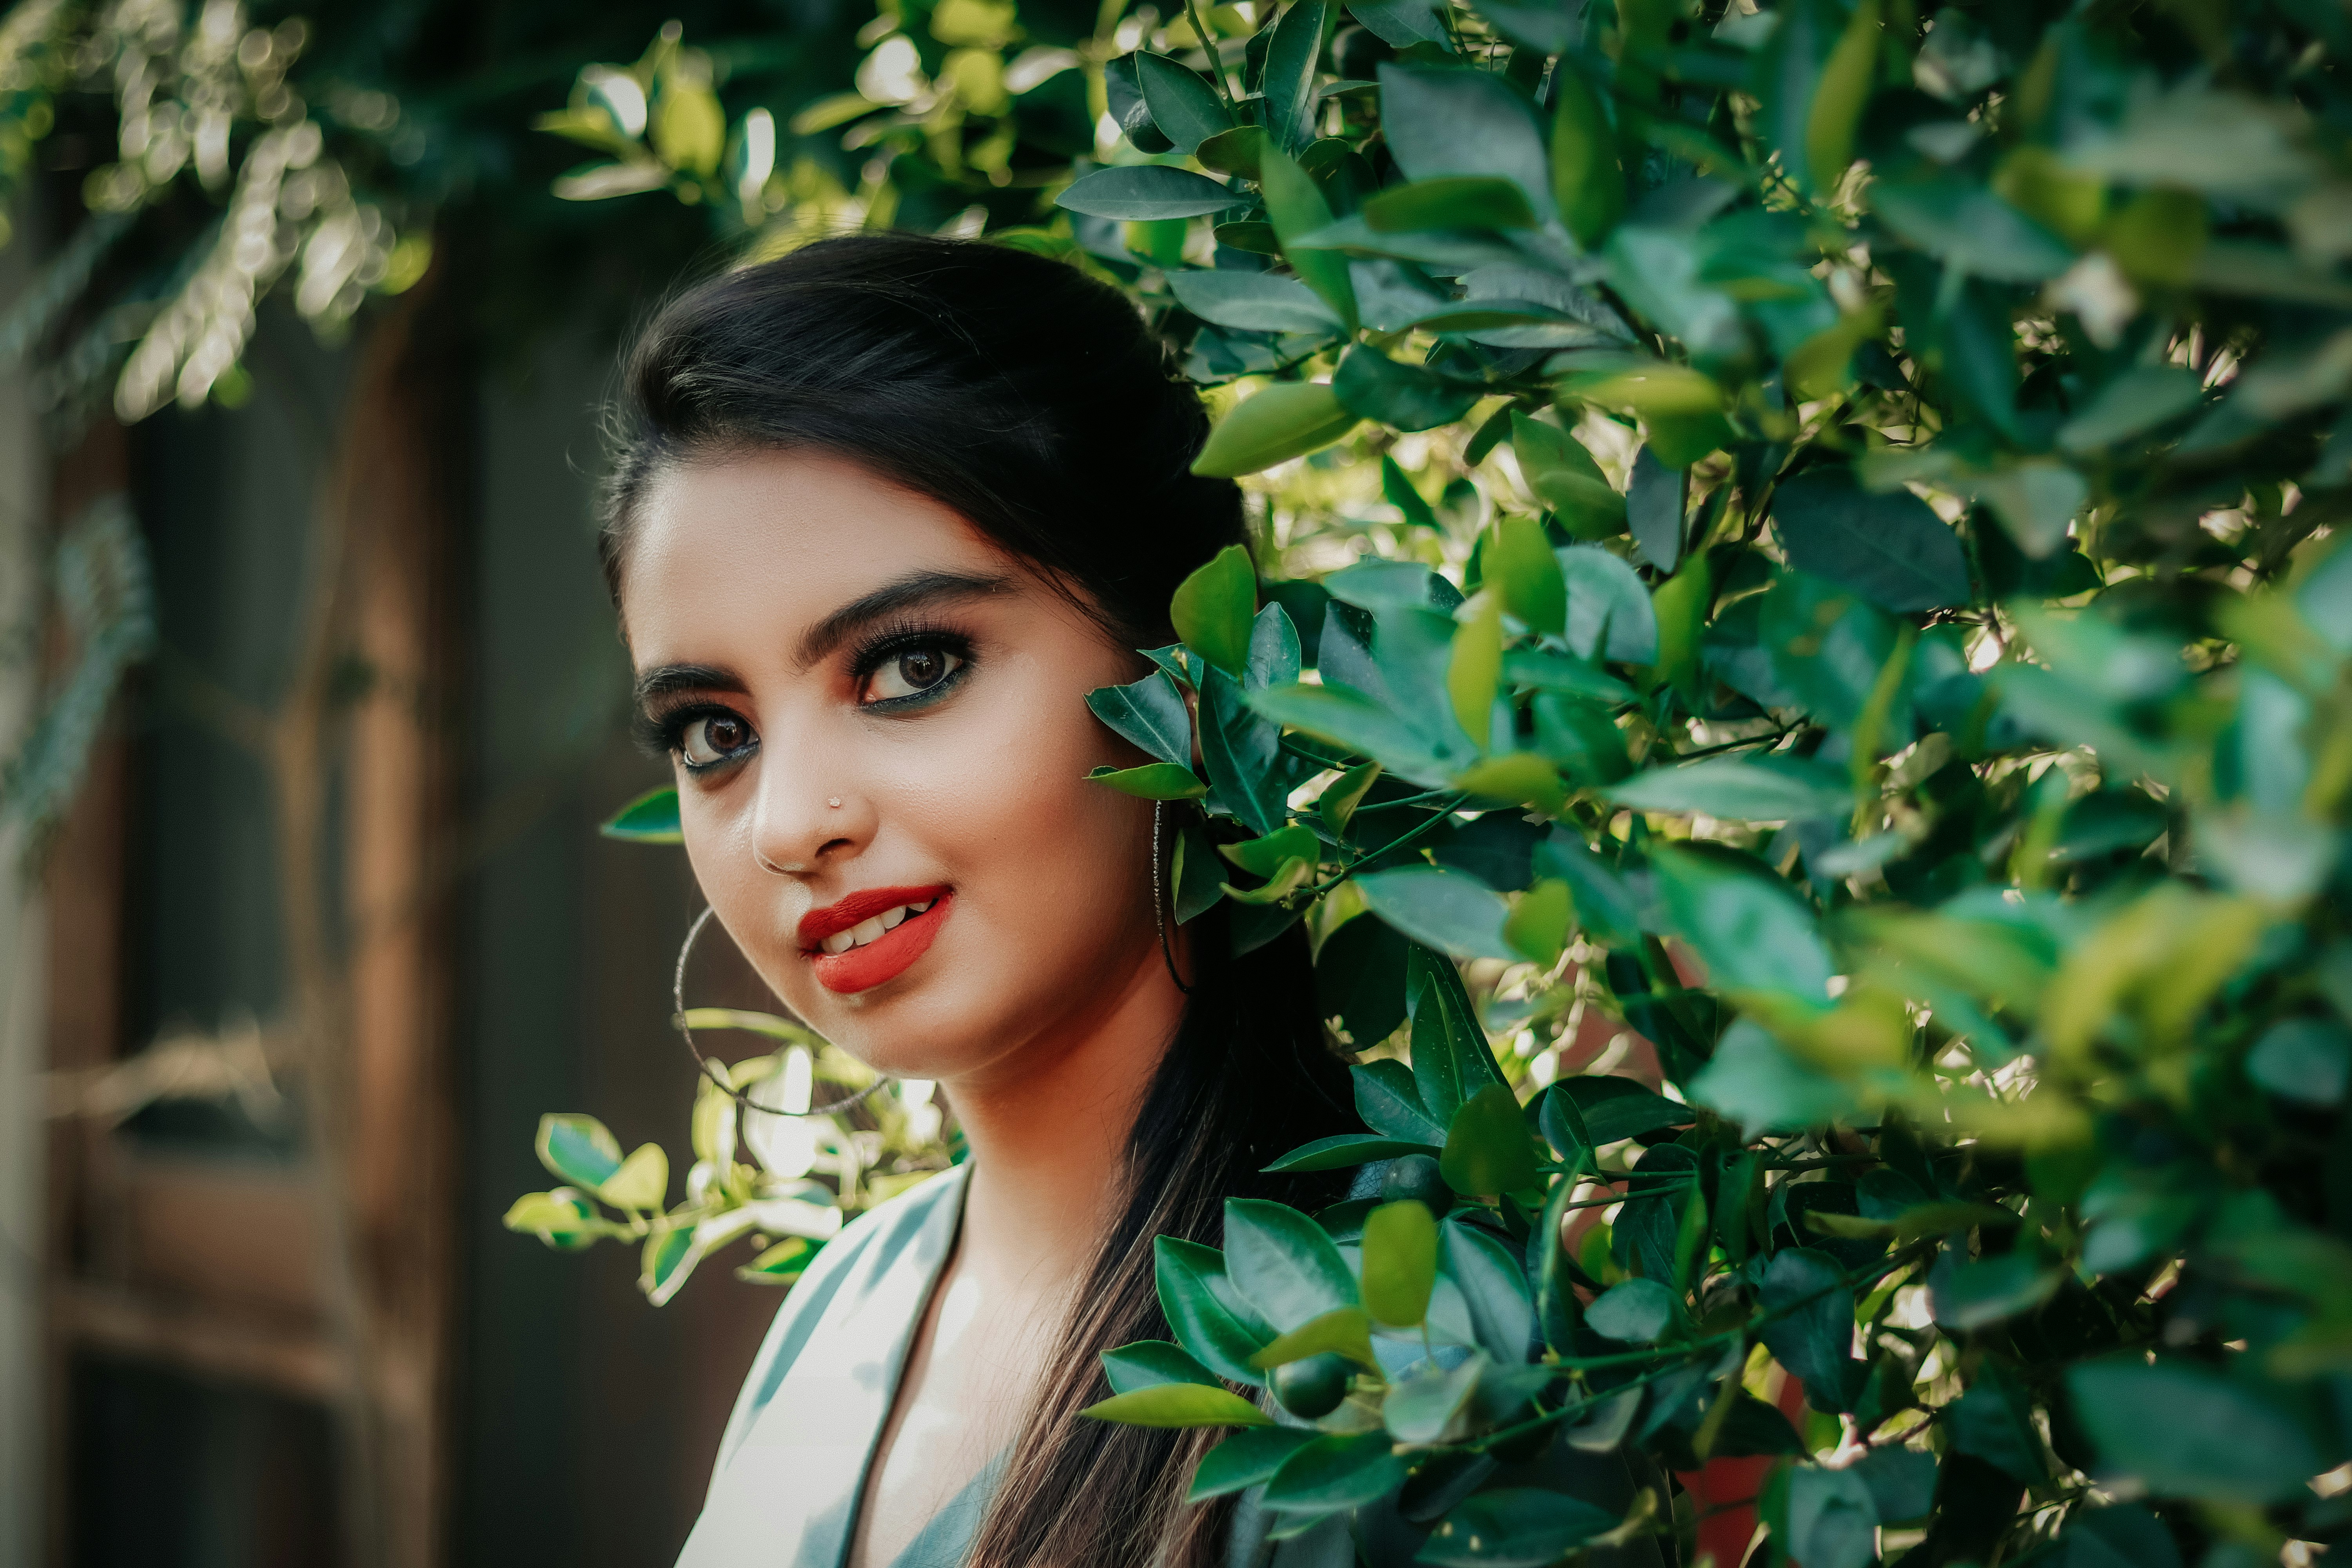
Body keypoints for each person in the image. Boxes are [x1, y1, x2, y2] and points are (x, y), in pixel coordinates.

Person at [597, 232, 1367, 1568]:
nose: (786, 825)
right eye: (714, 733)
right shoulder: (842, 1308)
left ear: (1186, 668)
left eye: (909, 668)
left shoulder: (1415, 1376)